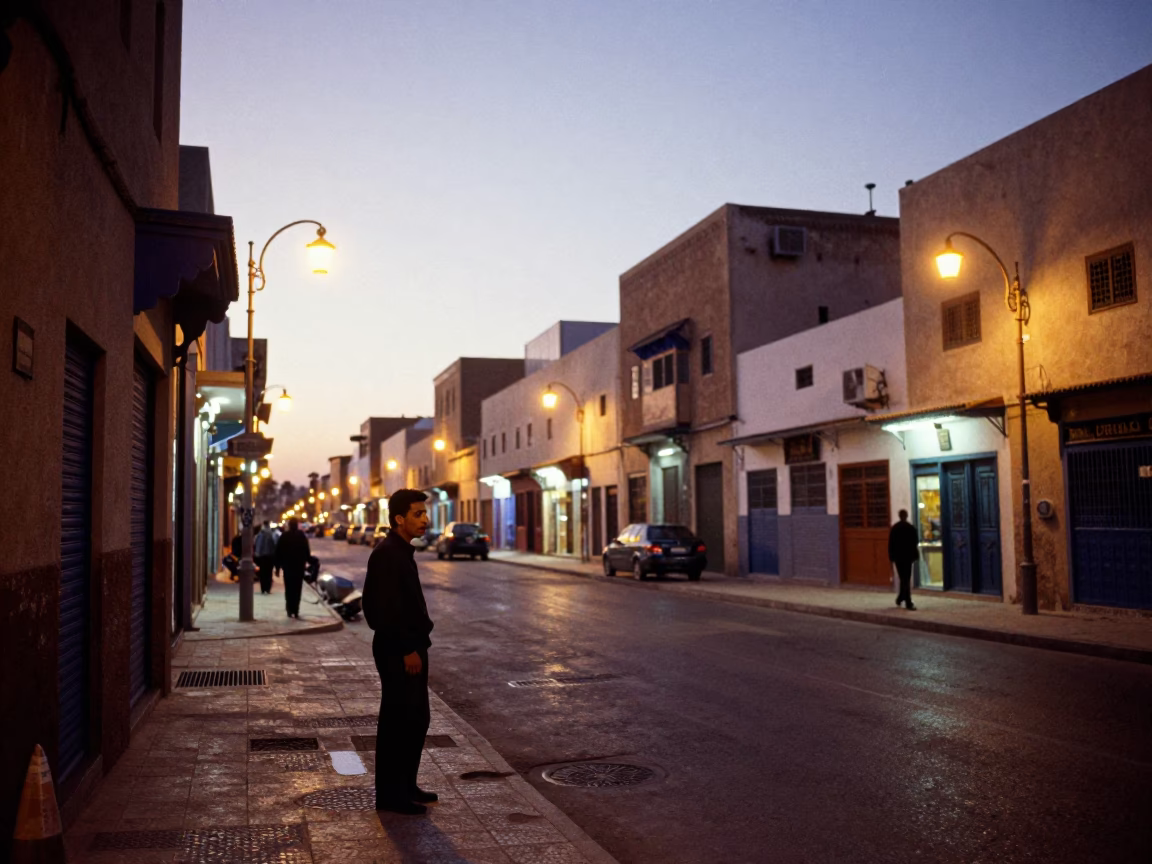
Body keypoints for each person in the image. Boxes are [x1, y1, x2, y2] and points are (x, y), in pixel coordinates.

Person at [362, 488, 435, 816]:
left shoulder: (402, 551)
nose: (425, 519)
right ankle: (391, 795)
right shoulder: (388, 553)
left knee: (416, 718)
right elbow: (381, 609)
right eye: (418, 514)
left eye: (424, 513)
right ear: (398, 519)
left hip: (409, 645)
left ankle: (406, 784)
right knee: (398, 721)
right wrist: (407, 648)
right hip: (398, 650)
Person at [275, 518, 311, 618]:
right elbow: (306, 551)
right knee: (297, 589)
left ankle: (289, 608)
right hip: (299, 567)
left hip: (287, 567)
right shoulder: (301, 536)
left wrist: (277, 568)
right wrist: (309, 562)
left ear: (289, 525)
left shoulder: (284, 536)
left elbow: (278, 552)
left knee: (289, 588)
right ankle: (296, 609)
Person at [888, 509, 920, 611]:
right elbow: (916, 542)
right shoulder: (911, 528)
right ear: (906, 516)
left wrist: (891, 557)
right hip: (908, 557)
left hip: (898, 557)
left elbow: (891, 544)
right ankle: (907, 601)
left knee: (903, 578)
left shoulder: (895, 528)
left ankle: (901, 597)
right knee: (906, 578)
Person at [254, 521, 277, 594]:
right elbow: (275, 544)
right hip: (270, 556)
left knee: (262, 573)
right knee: (269, 573)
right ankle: (268, 588)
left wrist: (257, 554)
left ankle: (263, 588)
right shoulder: (272, 534)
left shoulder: (260, 534)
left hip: (262, 557)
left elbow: (258, 544)